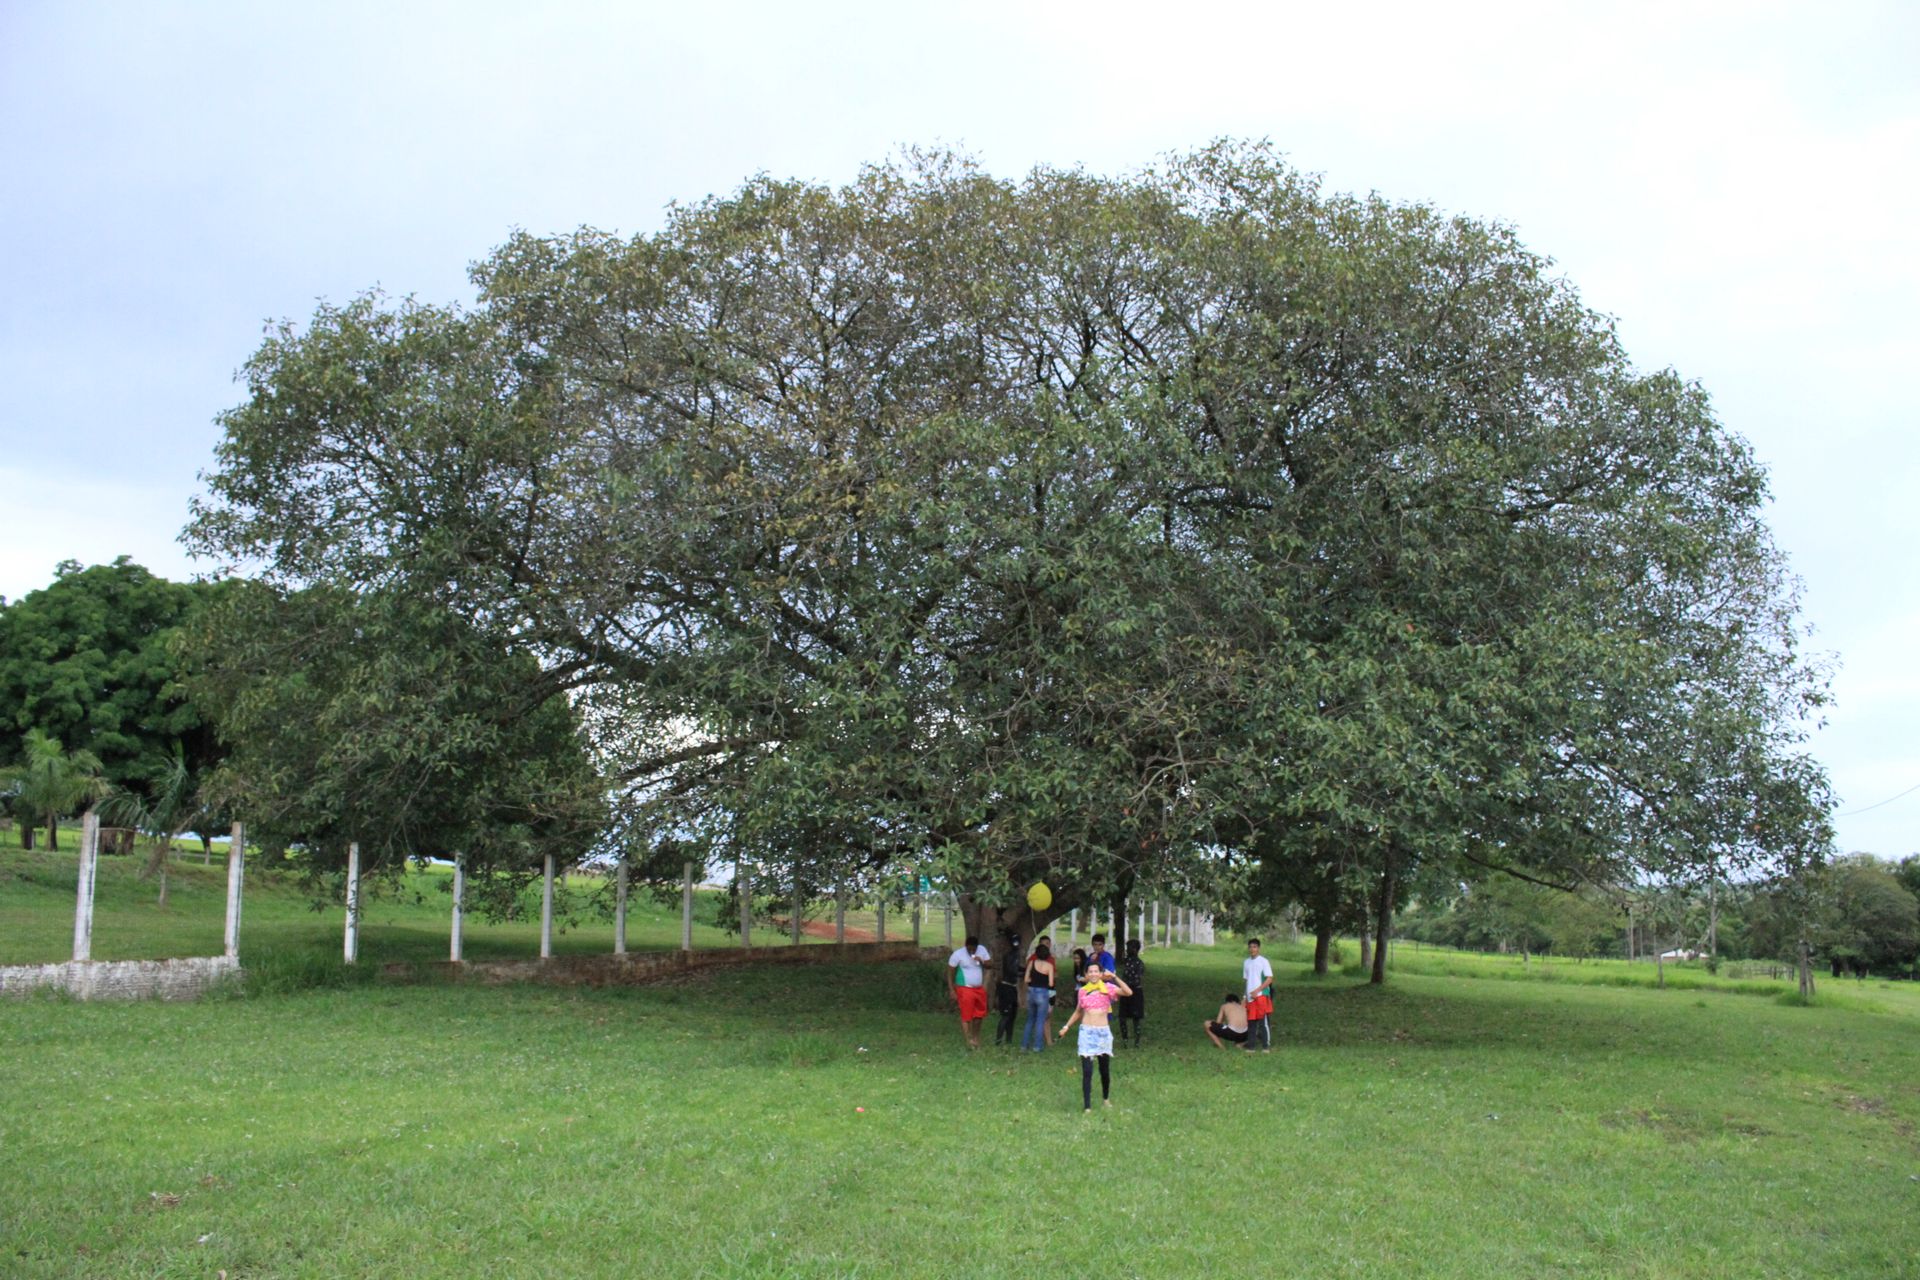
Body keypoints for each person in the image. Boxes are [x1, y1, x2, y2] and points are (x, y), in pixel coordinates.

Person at [1057, 963, 1133, 1110]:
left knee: (1104, 1070)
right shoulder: (1082, 991)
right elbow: (1078, 1011)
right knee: (1087, 1071)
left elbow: (1128, 992)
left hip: (1103, 1033)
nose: (1093, 974)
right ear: (1086, 975)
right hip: (1087, 1033)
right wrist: (1066, 1027)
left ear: (1100, 974)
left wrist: (1114, 977)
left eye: (1096, 971)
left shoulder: (1108, 988)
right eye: (1090, 972)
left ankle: (1106, 1099)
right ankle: (1087, 1107)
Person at [948, 933, 992, 1049]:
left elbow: (990, 965)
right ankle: (969, 1040)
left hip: (978, 988)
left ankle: (975, 1037)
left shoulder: (982, 950)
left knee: (979, 1015)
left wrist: (981, 961)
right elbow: (950, 972)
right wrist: (952, 989)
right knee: (966, 1015)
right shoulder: (958, 954)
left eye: (974, 949)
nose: (972, 951)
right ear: (965, 946)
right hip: (964, 988)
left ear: (977, 947)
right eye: (969, 949)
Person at [1021, 939, 1056, 1051]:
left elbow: (1026, 979)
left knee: (1030, 1019)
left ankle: (1024, 1045)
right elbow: (1051, 983)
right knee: (1040, 1020)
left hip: (1031, 992)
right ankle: (1037, 1046)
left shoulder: (1031, 963)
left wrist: (1033, 980)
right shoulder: (1049, 966)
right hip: (1043, 993)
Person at [1242, 937, 1274, 1052]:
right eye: (1250, 947)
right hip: (1250, 997)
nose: (1252, 949)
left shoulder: (1263, 961)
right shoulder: (1246, 962)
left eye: (1254, 947)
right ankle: (1251, 1047)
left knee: (1263, 1022)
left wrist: (1257, 990)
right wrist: (1244, 997)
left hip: (1261, 995)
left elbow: (1269, 979)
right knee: (1251, 1022)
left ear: (1258, 948)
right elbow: (1246, 981)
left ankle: (1266, 1046)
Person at [993, 932, 1024, 1046]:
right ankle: (998, 1040)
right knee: (1006, 1015)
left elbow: (1016, 968)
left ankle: (1008, 1040)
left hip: (1012, 987)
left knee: (1012, 1016)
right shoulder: (1011, 955)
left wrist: (1025, 970)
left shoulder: (1014, 954)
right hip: (1007, 987)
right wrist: (1023, 973)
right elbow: (1011, 970)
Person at [1117, 937, 1145, 1046]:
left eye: (1129, 948)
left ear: (1135, 949)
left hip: (1135, 991)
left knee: (1136, 1017)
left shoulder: (1139, 963)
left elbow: (1137, 978)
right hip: (1125, 991)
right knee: (1122, 1017)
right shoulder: (1125, 961)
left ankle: (1136, 1041)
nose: (1127, 950)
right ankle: (1125, 1039)